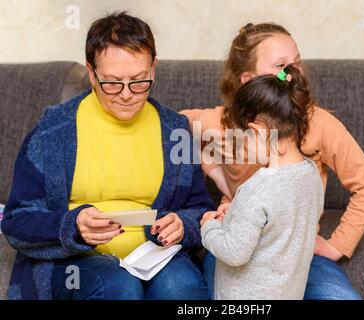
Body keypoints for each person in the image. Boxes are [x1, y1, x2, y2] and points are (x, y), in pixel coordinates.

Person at [1, 12, 214, 300]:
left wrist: (183, 225)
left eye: (139, 81)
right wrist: (73, 226)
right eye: (112, 83)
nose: (126, 94)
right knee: (118, 285)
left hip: (154, 257)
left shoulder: (174, 130)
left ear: (154, 68)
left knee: (181, 289)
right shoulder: (53, 131)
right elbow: (17, 222)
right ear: (91, 73)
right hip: (76, 261)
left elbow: (201, 209)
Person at [181, 23, 364, 300]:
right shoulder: (223, 122)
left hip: (294, 250)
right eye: (282, 66)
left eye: (297, 63)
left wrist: (337, 245)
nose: (294, 73)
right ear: (248, 80)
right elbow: (172, 126)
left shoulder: (318, 123)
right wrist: (211, 168)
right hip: (238, 243)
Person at [200, 65, 324, 299]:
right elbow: (287, 223)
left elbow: (234, 252)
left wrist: (209, 227)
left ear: (257, 132)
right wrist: (236, 211)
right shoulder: (310, 173)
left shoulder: (257, 188)